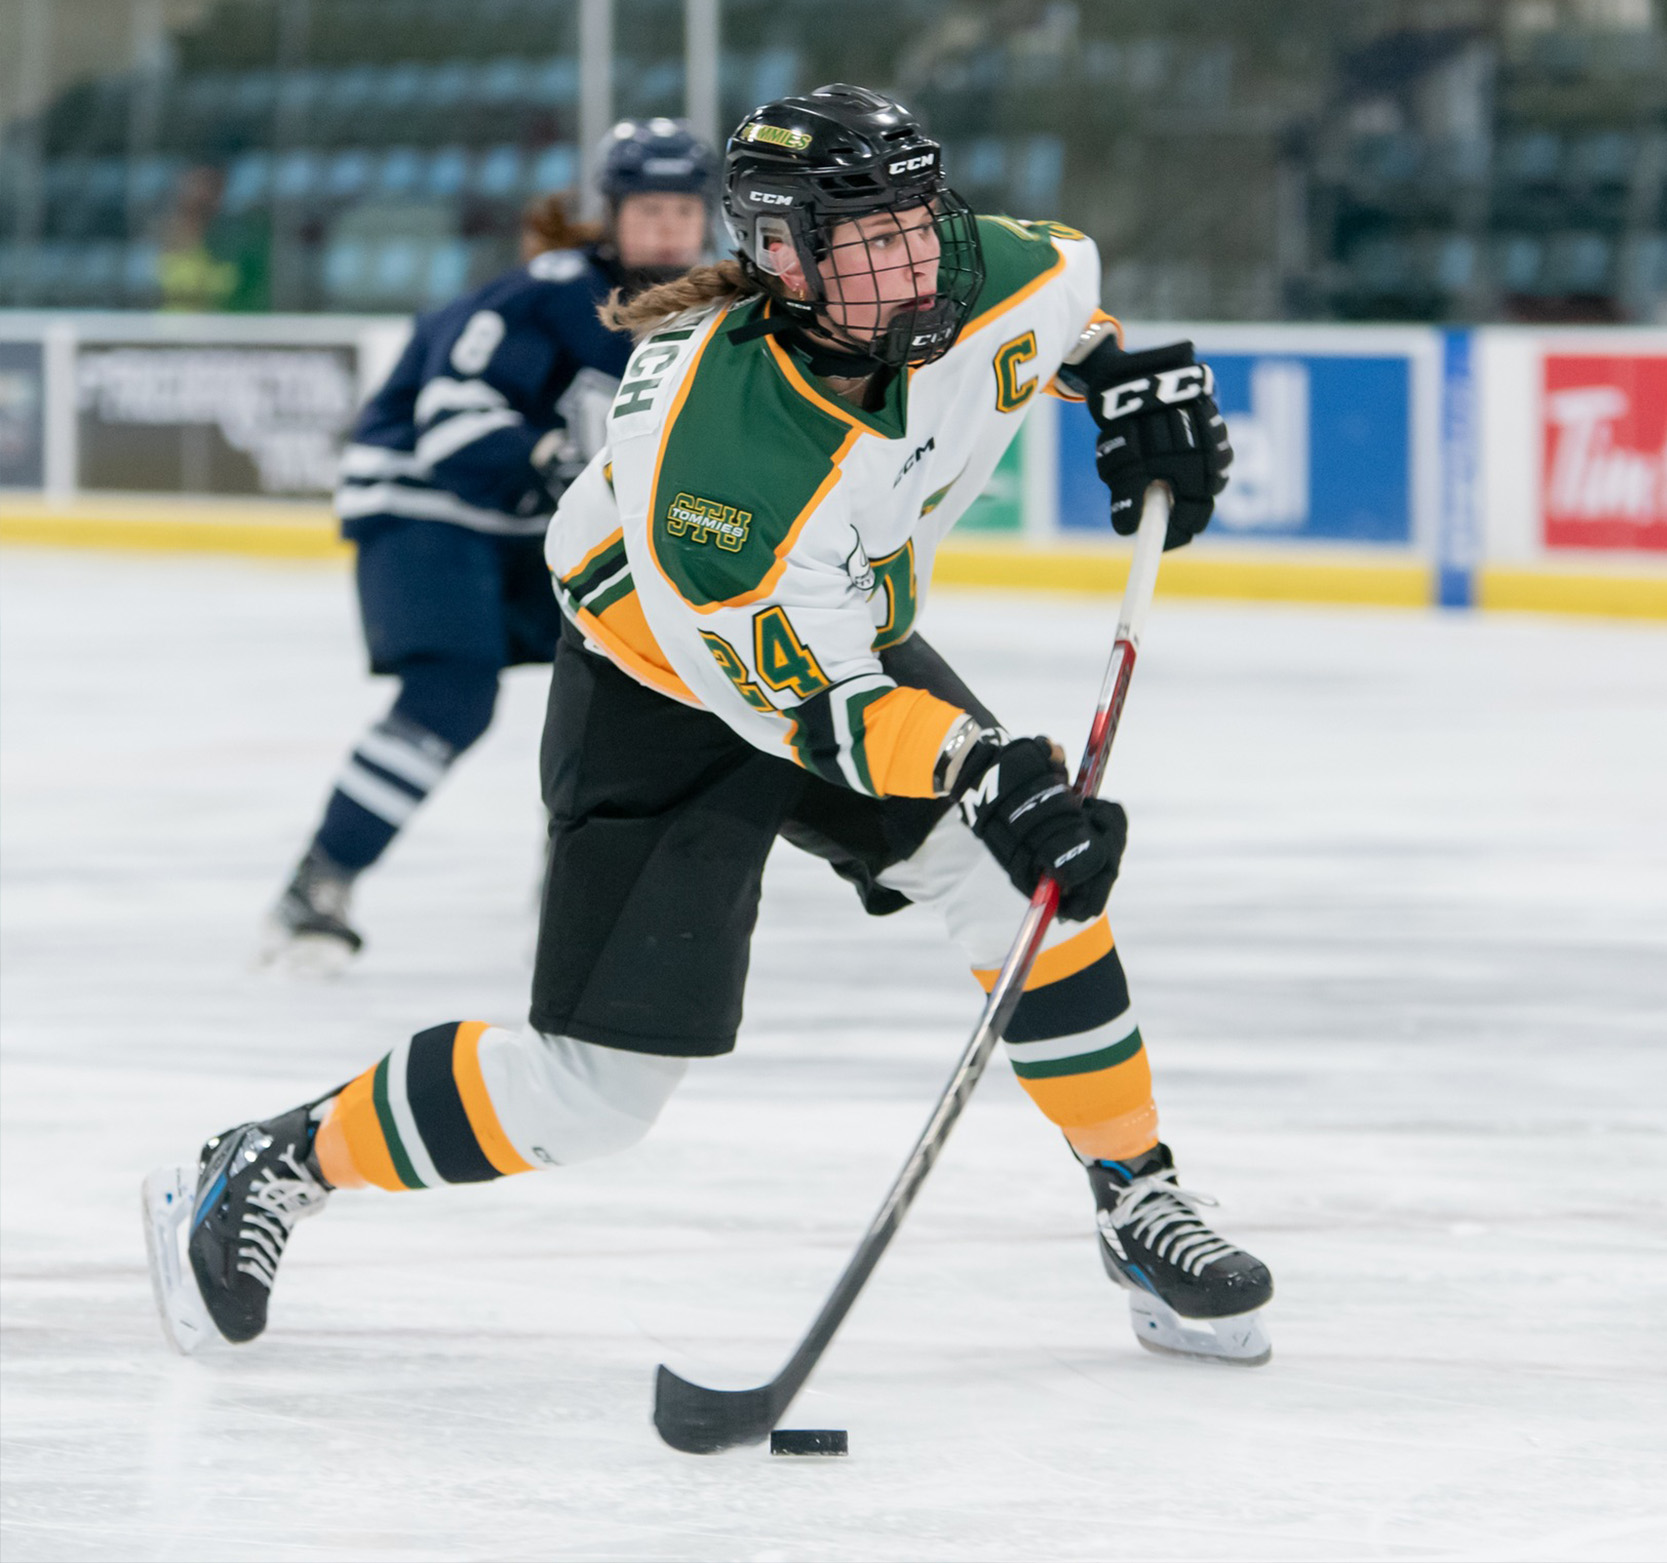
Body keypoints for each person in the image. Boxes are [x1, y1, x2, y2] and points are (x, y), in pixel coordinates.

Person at [147, 85, 1271, 1373]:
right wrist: (981, 766)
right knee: (590, 1097)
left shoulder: (974, 269)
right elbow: (808, 707)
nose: (914, 262)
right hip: (669, 683)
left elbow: (1059, 317)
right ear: (784, 257)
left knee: (1023, 877)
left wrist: (1116, 377)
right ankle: (274, 1161)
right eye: (870, 240)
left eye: (920, 221)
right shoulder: (714, 457)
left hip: (831, 637)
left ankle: (1135, 1195)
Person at [265, 119, 716, 971]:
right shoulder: (547, 293)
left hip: (523, 523)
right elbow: (452, 421)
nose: (666, 228)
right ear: (612, 217)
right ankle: (318, 883)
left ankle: (572, 894)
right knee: (451, 694)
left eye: (682, 210)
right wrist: (544, 460)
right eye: (647, 209)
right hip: (425, 502)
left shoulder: (704, 317)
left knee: (622, 688)